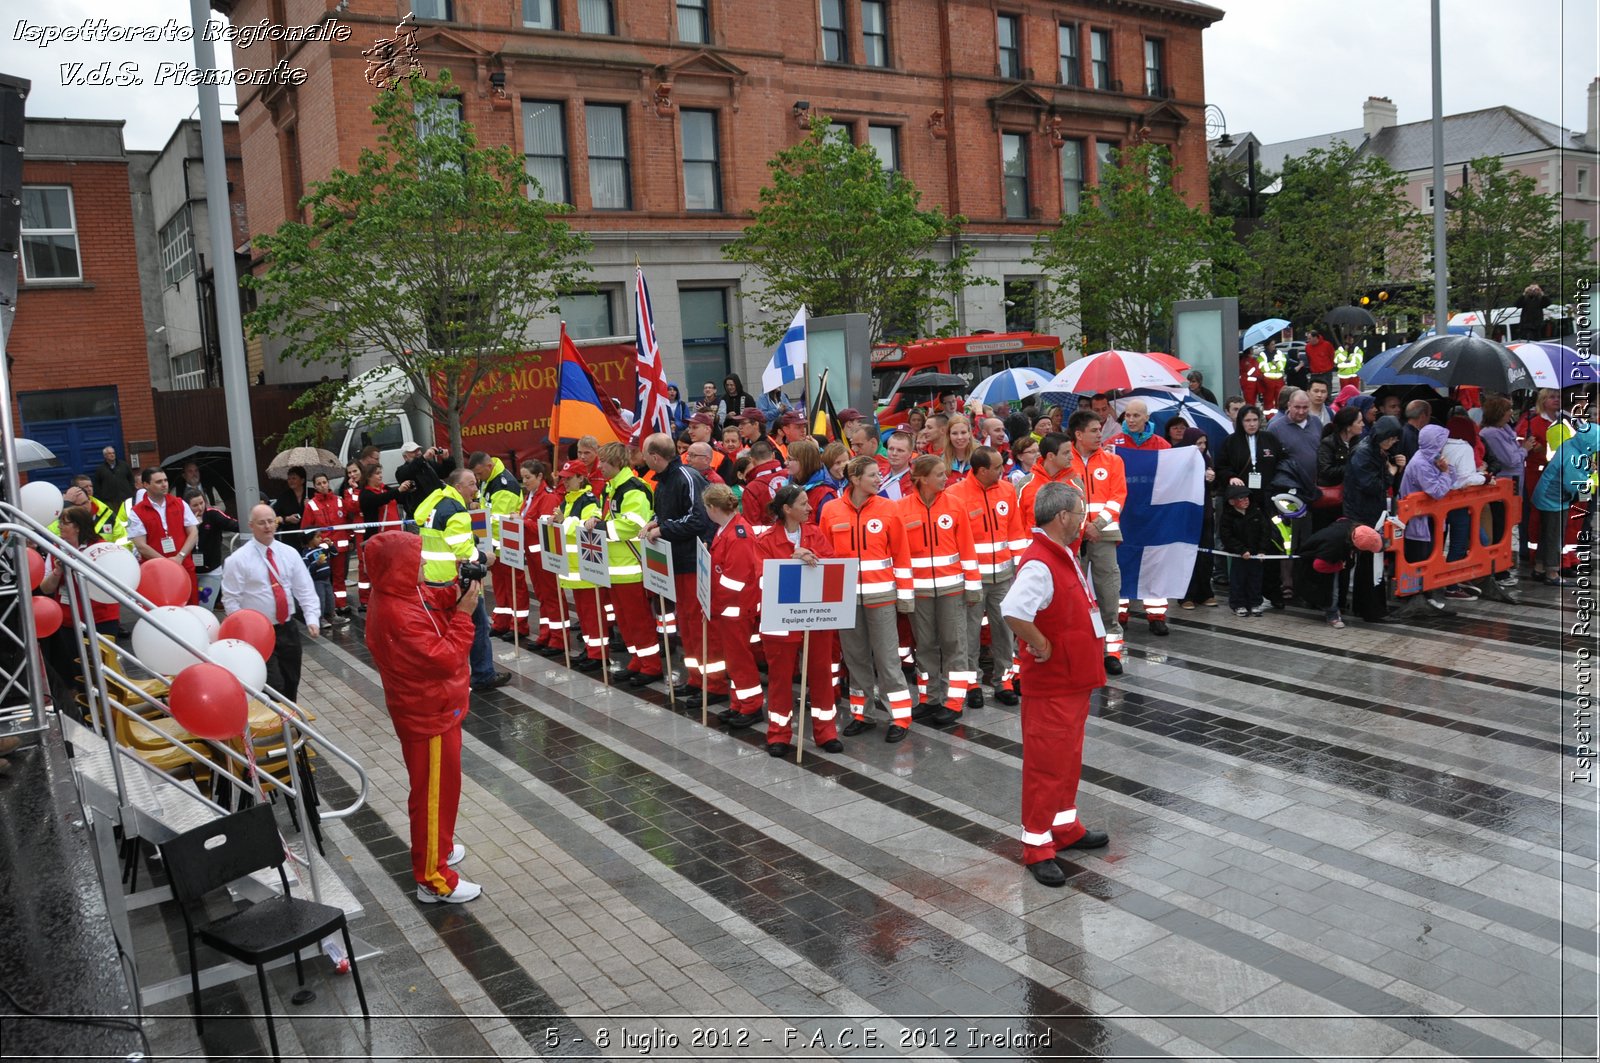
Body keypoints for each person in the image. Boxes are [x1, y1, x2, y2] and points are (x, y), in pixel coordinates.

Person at [362, 530, 482, 903]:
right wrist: (464, 615)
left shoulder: (401, 592)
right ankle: (433, 878)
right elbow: (443, 659)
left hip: (439, 710)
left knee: (443, 791)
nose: (426, 565)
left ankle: (438, 849)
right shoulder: (396, 613)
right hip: (426, 716)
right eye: (417, 560)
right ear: (399, 568)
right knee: (431, 796)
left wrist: (457, 591)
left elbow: (432, 599)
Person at [1003, 483, 1109, 887]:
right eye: (1079, 513)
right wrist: (1041, 642)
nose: (1083, 519)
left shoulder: (1060, 551)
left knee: (1066, 761)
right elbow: (1013, 610)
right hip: (1053, 683)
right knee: (1046, 767)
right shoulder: (1040, 562)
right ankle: (1037, 847)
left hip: (1072, 680)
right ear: (1062, 516)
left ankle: (1065, 827)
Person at [818, 456, 915, 741]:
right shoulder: (831, 510)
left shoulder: (889, 509)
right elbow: (826, 556)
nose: (878, 479)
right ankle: (863, 714)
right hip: (846, 598)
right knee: (855, 658)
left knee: (887, 659)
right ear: (855, 479)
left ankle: (900, 717)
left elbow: (901, 555)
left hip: (882, 596)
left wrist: (905, 597)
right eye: (872, 475)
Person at [757, 484, 844, 756]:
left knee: (821, 674)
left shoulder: (815, 534)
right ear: (787, 509)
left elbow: (831, 567)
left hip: (815, 619)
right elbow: (761, 579)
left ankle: (826, 731)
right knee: (780, 679)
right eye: (804, 504)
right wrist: (791, 559)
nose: (810, 508)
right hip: (781, 621)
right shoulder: (766, 540)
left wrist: (812, 557)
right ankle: (779, 733)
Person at [898, 456, 978, 727]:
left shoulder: (955, 505)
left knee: (955, 644)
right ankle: (929, 699)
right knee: (926, 647)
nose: (946, 478)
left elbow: (967, 548)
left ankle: (954, 702)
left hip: (951, 589)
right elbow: (900, 555)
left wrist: (972, 586)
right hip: (919, 592)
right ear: (922, 478)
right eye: (940, 474)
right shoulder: (901, 509)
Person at [640, 433, 718, 700]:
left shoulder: (685, 476)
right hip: (678, 562)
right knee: (686, 624)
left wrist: (663, 528)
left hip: (691, 561)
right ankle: (697, 679)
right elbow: (670, 513)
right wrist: (654, 521)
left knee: (697, 624)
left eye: (645, 454)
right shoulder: (664, 480)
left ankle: (714, 684)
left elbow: (697, 519)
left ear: (655, 456)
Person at [417, 468, 510, 692]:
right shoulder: (456, 510)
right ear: (458, 487)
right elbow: (463, 549)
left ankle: (458, 676)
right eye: (471, 484)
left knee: (447, 630)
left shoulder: (435, 501)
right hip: (455, 580)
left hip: (432, 578)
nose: (475, 490)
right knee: (476, 626)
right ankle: (482, 675)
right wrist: (485, 558)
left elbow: (443, 536)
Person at [949, 446, 1026, 706]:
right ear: (981, 470)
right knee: (968, 634)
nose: (1003, 471)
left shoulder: (1006, 490)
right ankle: (971, 683)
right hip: (972, 579)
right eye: (997, 467)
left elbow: (1015, 533)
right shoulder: (956, 495)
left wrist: (1021, 570)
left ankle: (1003, 681)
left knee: (1005, 630)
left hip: (1003, 577)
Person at [222, 504, 321, 702]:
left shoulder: (289, 553)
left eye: (271, 521)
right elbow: (231, 599)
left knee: (292, 678)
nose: (267, 526)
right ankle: (281, 721)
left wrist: (312, 617)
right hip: (259, 632)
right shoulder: (238, 560)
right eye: (261, 523)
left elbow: (304, 588)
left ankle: (290, 723)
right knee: (274, 685)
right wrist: (242, 630)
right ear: (251, 526)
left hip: (287, 627)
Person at [587, 442, 663, 686]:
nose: (600, 467)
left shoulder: (633, 489)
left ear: (617, 463)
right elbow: (615, 519)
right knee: (625, 620)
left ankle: (651, 666)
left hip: (631, 567)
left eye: (604, 463)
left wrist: (600, 526)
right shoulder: (614, 487)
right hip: (616, 565)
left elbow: (633, 524)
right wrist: (598, 520)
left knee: (638, 621)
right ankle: (637, 660)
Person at [1059, 414, 1127, 673]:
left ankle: (1113, 653)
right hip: (1072, 540)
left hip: (1104, 537)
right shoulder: (1064, 460)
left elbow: (1118, 497)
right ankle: (1081, 651)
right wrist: (1080, 529)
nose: (1100, 434)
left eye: (1100, 430)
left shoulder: (1113, 461)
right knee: (1073, 597)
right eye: (1094, 430)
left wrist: (1095, 526)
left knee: (1109, 594)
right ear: (1078, 434)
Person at [1105, 399, 1172, 636]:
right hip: (1123, 516)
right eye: (1127, 416)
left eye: (1135, 416)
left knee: (1154, 565)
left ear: (1147, 418)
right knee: (1121, 565)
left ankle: (1156, 615)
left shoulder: (1161, 445)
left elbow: (1172, 478)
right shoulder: (1112, 445)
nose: (1130, 420)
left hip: (1152, 517)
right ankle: (1119, 613)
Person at [701, 485, 765, 726]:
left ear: (713, 508)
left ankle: (752, 705)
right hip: (729, 607)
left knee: (740, 659)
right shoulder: (727, 529)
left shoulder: (737, 534)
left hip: (735, 608)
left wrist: (714, 603)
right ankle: (739, 702)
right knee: (734, 659)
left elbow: (735, 580)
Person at [1215, 404, 1283, 608]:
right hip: (1241, 501)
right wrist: (1232, 477)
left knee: (1266, 543)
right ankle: (1242, 597)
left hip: (1265, 499)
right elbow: (1221, 467)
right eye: (1247, 420)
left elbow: (1281, 461)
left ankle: (1269, 593)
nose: (1252, 424)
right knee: (1243, 547)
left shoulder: (1269, 439)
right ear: (1240, 422)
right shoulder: (1231, 442)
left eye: (1255, 420)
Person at [467, 451, 527, 640]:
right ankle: (503, 622)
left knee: (514, 587)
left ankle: (519, 626)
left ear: (489, 466)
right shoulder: (490, 479)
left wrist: (487, 547)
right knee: (501, 587)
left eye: (479, 474)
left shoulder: (504, 485)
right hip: (496, 546)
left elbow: (497, 521)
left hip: (506, 545)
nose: (477, 479)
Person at [1531, 421, 1599, 584]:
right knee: (1555, 535)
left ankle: (1539, 567)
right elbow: (1572, 482)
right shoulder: (1574, 456)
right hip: (1553, 498)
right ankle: (1552, 573)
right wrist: (1590, 481)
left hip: (1547, 494)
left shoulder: (1571, 445)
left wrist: (1588, 467)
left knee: (1546, 533)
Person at [1397, 425, 1456, 606]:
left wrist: (1446, 471)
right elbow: (1437, 491)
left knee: (1427, 556)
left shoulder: (1430, 459)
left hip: (1426, 518)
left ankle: (1424, 594)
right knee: (1419, 558)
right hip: (1417, 519)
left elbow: (1449, 481)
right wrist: (1446, 472)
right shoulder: (1422, 464)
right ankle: (1416, 596)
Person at [128, 467, 200, 605]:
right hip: (156, 572)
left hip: (184, 565)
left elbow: (193, 532)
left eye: (165, 480)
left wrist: (180, 556)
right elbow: (141, 546)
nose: (164, 484)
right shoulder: (137, 512)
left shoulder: (179, 503)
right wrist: (167, 564)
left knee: (190, 608)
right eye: (159, 481)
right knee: (162, 609)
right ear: (146, 485)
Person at [1296, 519, 1385, 628]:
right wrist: (1338, 566)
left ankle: (1334, 606)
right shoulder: (1334, 545)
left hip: (1331, 557)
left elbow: (1340, 520)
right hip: (1318, 560)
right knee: (1333, 589)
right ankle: (1332, 615)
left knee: (1337, 584)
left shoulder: (1351, 527)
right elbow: (1318, 565)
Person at [518, 460, 567, 655]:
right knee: (543, 596)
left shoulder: (547, 497)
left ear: (539, 476)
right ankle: (547, 633)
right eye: (523, 478)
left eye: (528, 477)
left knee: (552, 596)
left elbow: (545, 526)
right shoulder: (530, 496)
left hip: (545, 554)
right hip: (533, 554)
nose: (524, 481)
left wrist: (522, 521)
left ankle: (559, 638)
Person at [1479, 395, 1526, 581]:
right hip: (1502, 486)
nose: (1511, 413)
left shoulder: (1505, 430)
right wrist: (1525, 449)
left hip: (1513, 483)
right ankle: (1497, 566)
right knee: (1499, 524)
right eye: (1508, 410)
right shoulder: (1491, 433)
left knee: (1506, 523)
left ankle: (1502, 561)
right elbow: (1511, 459)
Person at [1172, 428, 1218, 609]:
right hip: (1186, 514)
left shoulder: (1207, 459)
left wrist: (1211, 479)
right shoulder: (1179, 459)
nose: (1202, 447)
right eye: (1198, 443)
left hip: (1205, 513)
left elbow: (1212, 487)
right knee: (1187, 555)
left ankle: (1205, 592)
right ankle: (1186, 594)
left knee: (1206, 554)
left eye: (1204, 443)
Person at [187, 488, 239, 609]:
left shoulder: (212, 514)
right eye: (195, 505)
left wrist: (253, 524)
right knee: (190, 608)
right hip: (189, 571)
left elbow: (232, 524)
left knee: (205, 607)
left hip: (210, 571)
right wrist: (193, 527)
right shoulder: (184, 519)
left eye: (201, 503)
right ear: (188, 507)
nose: (200, 508)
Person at [1219, 485, 1267, 616]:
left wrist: (1262, 550)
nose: (1246, 501)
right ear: (1232, 501)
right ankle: (1238, 604)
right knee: (1238, 580)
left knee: (1255, 579)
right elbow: (1226, 536)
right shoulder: (1227, 517)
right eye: (1242, 498)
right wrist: (1241, 550)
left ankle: (1255, 603)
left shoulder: (1256, 512)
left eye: (1247, 498)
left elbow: (1264, 532)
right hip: (1239, 555)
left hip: (1256, 554)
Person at [396, 444, 455, 520]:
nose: (418, 453)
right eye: (414, 451)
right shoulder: (401, 470)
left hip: (438, 509)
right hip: (419, 514)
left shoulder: (428, 464)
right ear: (405, 457)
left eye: (418, 450)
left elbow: (445, 473)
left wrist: (447, 459)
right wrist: (423, 458)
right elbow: (410, 470)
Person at [740, 439, 784, 524]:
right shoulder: (792, 476)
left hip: (767, 535)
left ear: (752, 460)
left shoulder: (752, 488)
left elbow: (753, 524)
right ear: (773, 455)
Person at [301, 529, 335, 623]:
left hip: (327, 579)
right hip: (317, 581)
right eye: (318, 537)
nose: (321, 539)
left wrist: (331, 545)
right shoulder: (306, 554)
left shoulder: (322, 549)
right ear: (309, 539)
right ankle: (320, 619)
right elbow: (306, 570)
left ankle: (332, 614)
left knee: (330, 598)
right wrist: (317, 564)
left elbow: (335, 553)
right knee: (321, 599)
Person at [272, 466, 310, 548]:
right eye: (289, 479)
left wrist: (311, 506)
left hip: (310, 537)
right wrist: (287, 519)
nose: (291, 481)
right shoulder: (283, 497)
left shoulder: (311, 493)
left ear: (302, 480)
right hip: (291, 538)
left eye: (294, 478)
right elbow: (274, 515)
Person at [93, 445, 136, 512]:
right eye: (109, 453)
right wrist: (102, 497)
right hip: (110, 500)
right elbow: (97, 485)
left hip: (125, 498)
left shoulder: (124, 465)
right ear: (105, 456)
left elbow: (131, 479)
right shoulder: (101, 469)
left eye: (113, 453)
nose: (112, 455)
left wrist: (131, 491)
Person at [878, 431, 915, 501]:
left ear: (910, 454)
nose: (894, 453)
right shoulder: (877, 473)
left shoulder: (916, 480)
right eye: (891, 449)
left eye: (900, 450)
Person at [940, 415, 978, 482]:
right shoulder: (941, 461)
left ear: (969, 433)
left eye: (963, 432)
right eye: (954, 433)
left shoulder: (979, 457)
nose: (959, 437)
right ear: (949, 436)